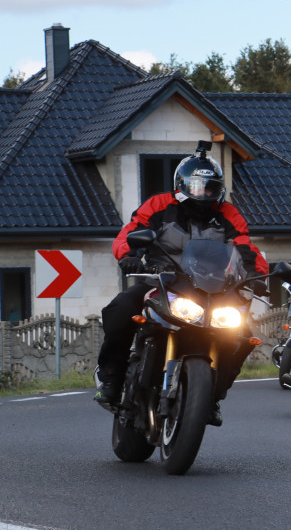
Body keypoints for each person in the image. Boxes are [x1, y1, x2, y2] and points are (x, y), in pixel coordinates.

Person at [94, 142, 269, 426]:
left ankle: (211, 397)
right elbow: (133, 231)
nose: (203, 192)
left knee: (242, 335)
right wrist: (129, 255)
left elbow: (246, 247)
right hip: (163, 280)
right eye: (197, 186)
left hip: (211, 290)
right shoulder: (159, 205)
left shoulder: (228, 214)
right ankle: (111, 377)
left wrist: (257, 276)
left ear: (218, 188)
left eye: (209, 187)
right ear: (182, 185)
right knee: (121, 307)